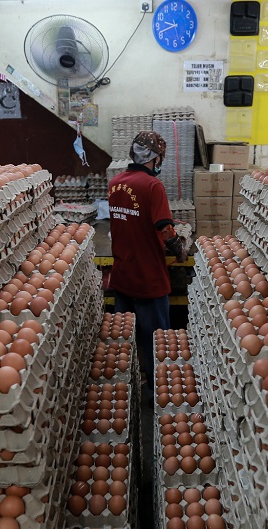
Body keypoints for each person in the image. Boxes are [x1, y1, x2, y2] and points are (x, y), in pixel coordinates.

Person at [108, 130, 180, 387]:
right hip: (148, 279)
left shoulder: (115, 182)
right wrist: (178, 247)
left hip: (122, 275)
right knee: (155, 342)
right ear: (157, 158)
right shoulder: (153, 186)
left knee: (124, 339)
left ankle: (125, 391)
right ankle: (155, 391)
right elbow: (165, 229)